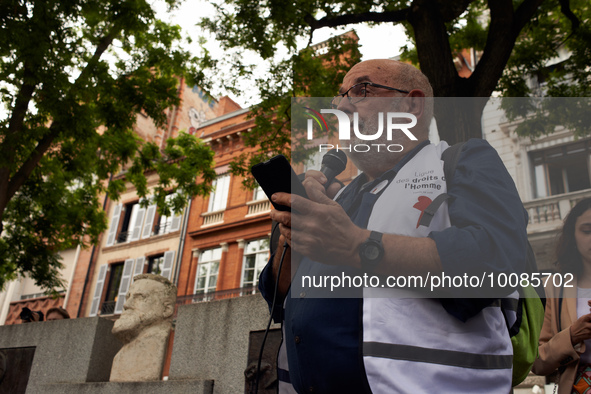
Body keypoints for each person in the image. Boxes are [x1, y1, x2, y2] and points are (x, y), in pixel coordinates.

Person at [259, 59, 529, 393]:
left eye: (360, 90)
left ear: (412, 104)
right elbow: (276, 295)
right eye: (337, 100)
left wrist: (357, 245)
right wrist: (294, 231)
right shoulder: (337, 200)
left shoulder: (462, 161)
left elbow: (493, 262)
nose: (341, 107)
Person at [533, 198, 591, 394]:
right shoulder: (553, 287)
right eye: (587, 230)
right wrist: (572, 336)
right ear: (572, 236)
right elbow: (537, 362)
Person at [110, 273, 177, 382]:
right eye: (128, 297)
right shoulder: (120, 355)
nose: (126, 305)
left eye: (140, 297)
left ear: (167, 310)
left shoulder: (160, 347)